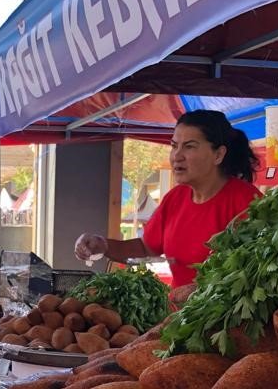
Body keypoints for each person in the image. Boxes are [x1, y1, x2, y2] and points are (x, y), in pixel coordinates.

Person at [75, 110, 261, 305]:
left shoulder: (247, 202)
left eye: (189, 147)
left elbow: (255, 272)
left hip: (226, 323)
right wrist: (104, 245)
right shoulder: (175, 198)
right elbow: (147, 246)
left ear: (218, 154)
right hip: (178, 319)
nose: (177, 156)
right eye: (174, 146)